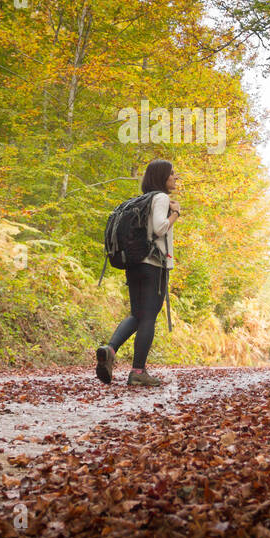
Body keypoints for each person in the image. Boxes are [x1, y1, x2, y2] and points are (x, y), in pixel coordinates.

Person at [95, 159, 181, 387]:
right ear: (162, 177)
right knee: (149, 318)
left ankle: (110, 349)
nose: (175, 177)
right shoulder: (161, 198)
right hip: (153, 265)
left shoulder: (145, 200)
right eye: (172, 174)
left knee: (137, 315)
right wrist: (176, 214)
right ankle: (138, 371)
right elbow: (160, 227)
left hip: (134, 263)